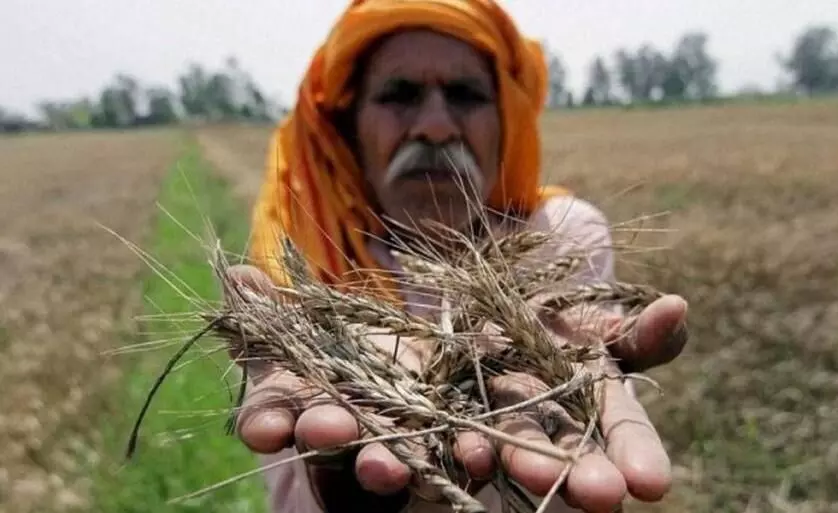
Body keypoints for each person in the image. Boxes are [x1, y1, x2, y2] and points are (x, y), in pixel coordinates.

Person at [225, 1, 688, 512]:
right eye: (399, 95)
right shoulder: (307, 256)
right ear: (350, 128)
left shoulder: (562, 234)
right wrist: (346, 486)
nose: (436, 127)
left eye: (466, 95)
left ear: (506, 120)